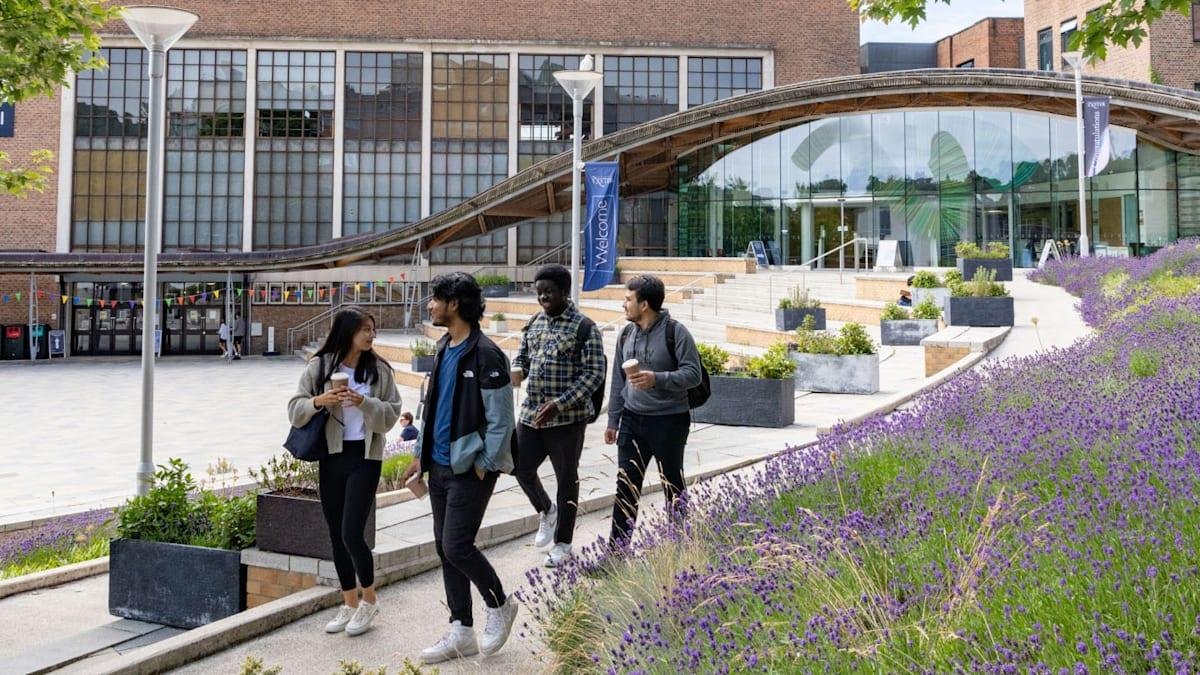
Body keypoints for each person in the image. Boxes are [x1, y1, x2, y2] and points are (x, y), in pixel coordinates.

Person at [396, 272, 519, 665]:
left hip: (470, 468)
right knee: (444, 548)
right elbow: (432, 409)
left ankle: (500, 604)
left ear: (454, 304)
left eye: (435, 298)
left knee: (456, 546)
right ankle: (462, 629)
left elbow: (501, 420)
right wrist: (420, 455)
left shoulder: (486, 355)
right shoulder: (444, 346)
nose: (430, 305)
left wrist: (485, 465)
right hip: (439, 466)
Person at [287, 307, 402, 638]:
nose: (371, 335)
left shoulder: (379, 370)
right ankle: (349, 604)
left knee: (352, 532)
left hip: (365, 458)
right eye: (365, 329)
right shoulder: (321, 367)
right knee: (336, 534)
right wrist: (320, 400)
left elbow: (392, 414)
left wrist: (363, 402)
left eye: (373, 330)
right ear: (348, 331)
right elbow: (294, 409)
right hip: (331, 456)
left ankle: (370, 601)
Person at [511, 264, 605, 568]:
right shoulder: (534, 322)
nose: (542, 298)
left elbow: (594, 374)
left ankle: (563, 543)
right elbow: (523, 356)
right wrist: (517, 369)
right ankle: (547, 511)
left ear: (564, 291)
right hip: (531, 415)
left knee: (566, 479)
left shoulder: (585, 328)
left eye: (548, 292)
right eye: (538, 293)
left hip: (566, 419)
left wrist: (560, 403)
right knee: (518, 467)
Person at [605, 274, 703, 549]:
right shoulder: (626, 334)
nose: (624, 304)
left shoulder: (676, 332)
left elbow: (693, 374)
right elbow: (618, 380)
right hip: (632, 420)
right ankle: (616, 554)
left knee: (672, 484)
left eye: (628, 299)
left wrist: (656, 379)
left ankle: (680, 547)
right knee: (626, 486)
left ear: (644, 304)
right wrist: (613, 420)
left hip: (669, 421)